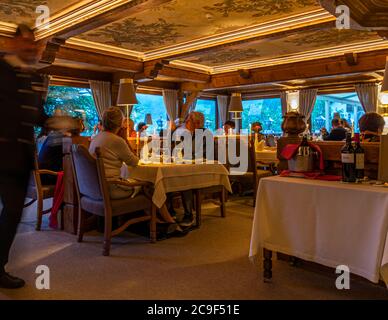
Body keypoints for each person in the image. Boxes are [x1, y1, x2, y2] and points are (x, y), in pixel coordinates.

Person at [0, 24, 49, 289]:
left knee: (13, 213)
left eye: (34, 43)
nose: (31, 47)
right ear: (13, 42)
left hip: (20, 159)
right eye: (26, 42)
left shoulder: (35, 78)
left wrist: (58, 121)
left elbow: (37, 115)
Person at [89, 107, 179, 230]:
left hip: (95, 188)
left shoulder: (96, 138)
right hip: (112, 189)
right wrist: (125, 141)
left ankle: (156, 218)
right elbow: (134, 162)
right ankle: (166, 220)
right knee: (150, 185)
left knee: (143, 183)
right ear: (120, 123)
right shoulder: (116, 140)